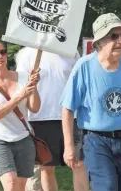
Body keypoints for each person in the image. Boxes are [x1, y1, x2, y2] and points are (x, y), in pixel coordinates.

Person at [60, 13, 121, 191]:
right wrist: (69, 146)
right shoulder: (84, 67)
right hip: (97, 140)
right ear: (99, 42)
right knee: (106, 187)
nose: (120, 40)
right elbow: (67, 109)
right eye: (113, 36)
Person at [16, 47, 89, 191]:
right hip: (41, 118)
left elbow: (81, 82)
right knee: (47, 168)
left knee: (79, 164)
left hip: (72, 116)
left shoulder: (71, 50)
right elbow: (21, 86)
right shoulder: (27, 53)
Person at [0, 38, 40, 191]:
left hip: (23, 137)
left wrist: (33, 86)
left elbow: (35, 107)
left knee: (20, 186)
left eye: (2, 52)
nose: (0, 56)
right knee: (10, 183)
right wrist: (20, 96)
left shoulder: (23, 76)